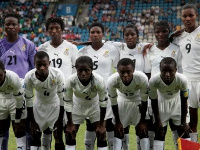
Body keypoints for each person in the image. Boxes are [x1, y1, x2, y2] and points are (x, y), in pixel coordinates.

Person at [38, 17, 78, 149]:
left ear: (62, 30)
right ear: (47, 31)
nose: (54, 31)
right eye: (51, 28)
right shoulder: (43, 48)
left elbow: (76, 70)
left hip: (66, 94)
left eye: (57, 28)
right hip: (48, 95)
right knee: (50, 131)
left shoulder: (71, 48)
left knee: (68, 130)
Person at [78, 22, 120, 150]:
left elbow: (118, 69)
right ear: (89, 34)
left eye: (98, 32)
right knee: (90, 125)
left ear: (103, 33)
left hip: (106, 93)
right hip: (90, 94)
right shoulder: (83, 51)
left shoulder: (111, 49)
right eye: (92, 32)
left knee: (109, 125)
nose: (95, 34)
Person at [144, 20, 183, 150]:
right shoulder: (149, 50)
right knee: (159, 131)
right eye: (157, 32)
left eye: (164, 31)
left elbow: (181, 74)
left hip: (174, 97)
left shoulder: (176, 49)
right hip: (156, 97)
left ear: (169, 31)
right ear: (154, 33)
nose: (161, 34)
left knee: (178, 130)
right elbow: (148, 75)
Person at [0, 13, 37, 150]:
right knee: (2, 130)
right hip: (3, 93)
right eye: (7, 24)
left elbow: (34, 69)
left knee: (23, 128)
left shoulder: (28, 45)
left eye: (13, 24)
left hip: (22, 93)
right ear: (4, 26)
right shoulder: (0, 45)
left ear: (19, 26)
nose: (10, 27)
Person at [170, 3, 200, 143]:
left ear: (196, 16)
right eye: (185, 16)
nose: (188, 18)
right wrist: (172, 35)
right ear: (181, 18)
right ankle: (194, 145)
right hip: (187, 82)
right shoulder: (179, 37)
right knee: (191, 120)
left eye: (191, 15)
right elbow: (165, 43)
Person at [64, 56, 108, 150]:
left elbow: (103, 102)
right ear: (76, 69)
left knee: (101, 134)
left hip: (94, 106)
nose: (83, 73)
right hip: (77, 106)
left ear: (92, 69)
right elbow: (67, 102)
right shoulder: (70, 80)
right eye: (80, 70)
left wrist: (101, 125)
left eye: (86, 70)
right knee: (70, 134)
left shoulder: (99, 80)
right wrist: (70, 124)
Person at [24, 51, 65, 150]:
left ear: (49, 63)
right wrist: (32, 121)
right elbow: (28, 100)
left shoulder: (57, 74)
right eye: (39, 65)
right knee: (35, 134)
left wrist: (60, 120)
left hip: (55, 105)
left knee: (58, 135)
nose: (42, 68)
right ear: (34, 64)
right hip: (38, 106)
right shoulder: (29, 77)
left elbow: (62, 98)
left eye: (45, 65)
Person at [107, 58, 149, 150]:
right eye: (122, 72)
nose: (125, 75)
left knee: (143, 131)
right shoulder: (112, 80)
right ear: (117, 71)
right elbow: (113, 102)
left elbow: (144, 100)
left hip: (137, 100)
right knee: (119, 130)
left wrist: (142, 121)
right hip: (122, 100)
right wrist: (117, 122)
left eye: (128, 72)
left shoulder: (142, 78)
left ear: (133, 70)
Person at [149, 57, 190, 150]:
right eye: (164, 71)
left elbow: (184, 101)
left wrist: (184, 122)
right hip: (161, 104)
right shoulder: (153, 81)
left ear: (176, 70)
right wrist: (158, 121)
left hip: (177, 103)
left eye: (170, 71)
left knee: (184, 131)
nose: (167, 74)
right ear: (160, 70)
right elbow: (153, 100)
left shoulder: (182, 79)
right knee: (159, 132)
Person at [0, 60, 27, 150]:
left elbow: (19, 100)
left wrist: (17, 120)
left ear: (4, 72)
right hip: (1, 98)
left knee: (19, 128)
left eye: (0, 75)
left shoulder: (13, 78)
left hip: (15, 98)